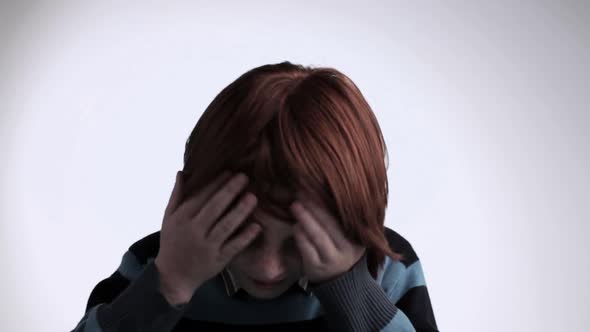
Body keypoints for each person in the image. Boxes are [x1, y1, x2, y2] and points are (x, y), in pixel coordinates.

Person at [71, 61, 439, 332]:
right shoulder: (158, 263)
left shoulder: (387, 269)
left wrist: (351, 293)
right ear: (188, 201)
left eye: (299, 242)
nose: (268, 268)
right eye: (243, 235)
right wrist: (168, 283)